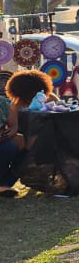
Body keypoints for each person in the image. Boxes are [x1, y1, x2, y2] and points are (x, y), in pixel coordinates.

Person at [1, 69, 55, 197]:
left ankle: (4, 184)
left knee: (22, 145)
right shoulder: (11, 104)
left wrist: (13, 130)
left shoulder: (6, 104)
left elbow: (13, 125)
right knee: (11, 147)